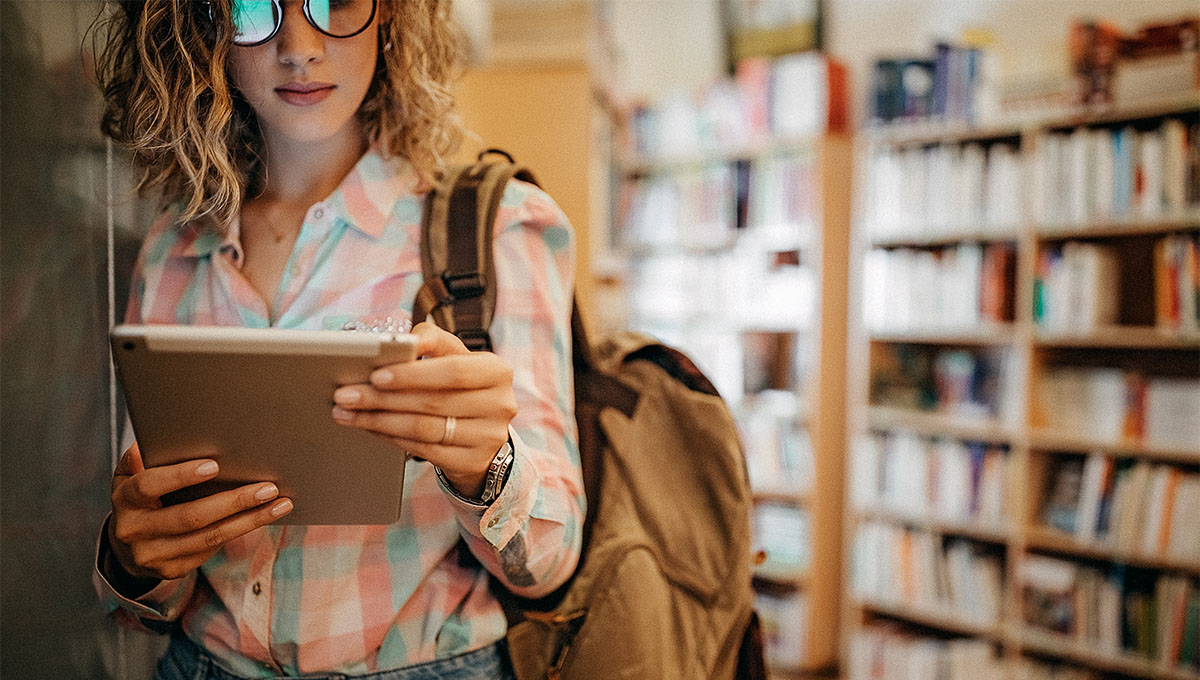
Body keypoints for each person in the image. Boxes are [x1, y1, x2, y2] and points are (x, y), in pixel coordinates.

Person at [91, 1, 584, 678]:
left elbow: (549, 566)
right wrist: (134, 558)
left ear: (392, 17)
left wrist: (487, 465)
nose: (298, 46)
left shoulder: (499, 229)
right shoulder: (172, 247)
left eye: (337, 0)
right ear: (204, 27)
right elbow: (151, 591)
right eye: (250, 7)